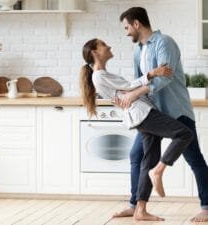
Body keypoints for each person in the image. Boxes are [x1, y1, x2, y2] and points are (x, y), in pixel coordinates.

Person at [80, 38, 193, 221]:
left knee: (148, 161)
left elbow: (126, 90)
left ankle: (140, 209)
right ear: (94, 52)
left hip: (142, 114)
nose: (109, 45)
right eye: (103, 44)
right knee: (184, 133)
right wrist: (153, 73)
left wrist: (135, 89)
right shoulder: (98, 75)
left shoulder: (101, 74)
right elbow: (129, 87)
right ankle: (160, 170)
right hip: (144, 114)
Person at [112, 6, 208, 223]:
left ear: (137, 24)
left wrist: (135, 93)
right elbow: (139, 80)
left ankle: (207, 206)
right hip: (152, 114)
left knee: (194, 159)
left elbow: (165, 79)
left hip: (176, 110)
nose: (126, 32)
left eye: (127, 27)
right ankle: (135, 205)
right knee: (137, 155)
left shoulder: (165, 43)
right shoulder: (138, 50)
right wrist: (125, 96)